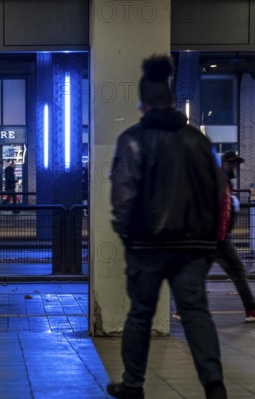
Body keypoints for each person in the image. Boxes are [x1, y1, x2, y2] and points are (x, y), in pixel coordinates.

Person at [108, 54, 227, 399]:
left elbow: (122, 198)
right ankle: (214, 386)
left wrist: (127, 233)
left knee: (141, 315)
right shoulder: (199, 141)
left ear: (142, 104)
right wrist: (206, 236)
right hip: (193, 247)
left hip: (146, 245)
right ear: (173, 100)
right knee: (195, 312)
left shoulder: (131, 139)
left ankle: (133, 384)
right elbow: (218, 189)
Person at [173, 151, 255, 323]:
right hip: (215, 239)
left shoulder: (224, 182)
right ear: (223, 164)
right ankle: (251, 310)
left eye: (236, 164)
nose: (234, 168)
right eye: (231, 164)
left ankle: (182, 309)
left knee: (200, 274)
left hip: (216, 238)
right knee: (237, 272)